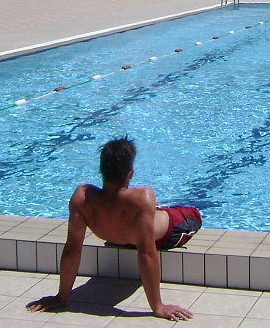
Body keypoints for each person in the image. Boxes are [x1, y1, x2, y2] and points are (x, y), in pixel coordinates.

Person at [28, 137, 201, 321]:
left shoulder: (83, 198)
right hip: (168, 232)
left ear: (102, 170)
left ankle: (155, 211)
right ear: (130, 174)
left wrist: (61, 297)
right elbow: (146, 254)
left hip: (123, 232)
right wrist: (157, 306)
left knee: (153, 210)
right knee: (194, 214)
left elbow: (72, 247)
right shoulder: (142, 198)